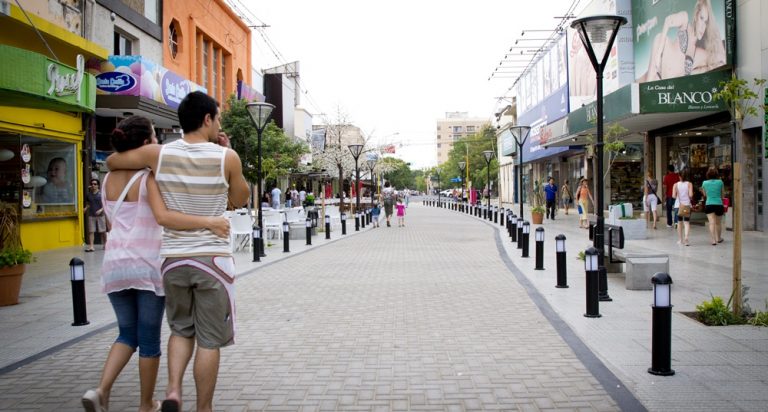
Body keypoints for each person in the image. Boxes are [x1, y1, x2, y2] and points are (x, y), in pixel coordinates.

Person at [106, 91, 249, 412]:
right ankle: (204, 408)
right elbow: (240, 199)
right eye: (218, 118)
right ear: (207, 119)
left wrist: (137, 158)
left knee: (181, 331)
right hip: (212, 260)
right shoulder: (226, 157)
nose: (219, 124)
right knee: (209, 340)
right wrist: (228, 153)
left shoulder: (159, 154)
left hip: (172, 260)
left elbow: (113, 161)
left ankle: (172, 391)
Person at [83, 116, 230, 412]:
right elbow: (165, 216)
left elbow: (112, 220)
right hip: (147, 265)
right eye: (153, 136)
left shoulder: (108, 179)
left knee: (127, 333)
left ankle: (101, 390)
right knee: (149, 341)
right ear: (146, 142)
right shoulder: (148, 178)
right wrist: (210, 222)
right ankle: (146, 403)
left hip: (114, 264)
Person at [639, 0, 726, 82]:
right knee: (660, 38)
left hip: (665, 81)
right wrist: (658, 54)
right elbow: (668, 21)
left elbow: (722, 59)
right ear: (696, 15)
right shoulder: (685, 20)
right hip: (657, 68)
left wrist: (700, 70)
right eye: (701, 18)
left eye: (706, 22)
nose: (703, 26)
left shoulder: (699, 53)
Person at [701, 166, 725, 245]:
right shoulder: (720, 182)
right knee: (718, 223)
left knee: (711, 223)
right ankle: (719, 238)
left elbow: (705, 195)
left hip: (709, 204)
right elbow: (722, 195)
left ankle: (713, 240)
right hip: (718, 204)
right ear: (716, 174)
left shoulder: (704, 183)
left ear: (708, 174)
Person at [84, 178, 108, 252]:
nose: (93, 185)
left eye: (95, 184)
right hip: (91, 214)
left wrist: (101, 210)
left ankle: (106, 244)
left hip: (101, 215)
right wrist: (85, 208)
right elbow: (88, 204)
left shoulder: (101, 194)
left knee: (103, 231)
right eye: (92, 184)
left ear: (98, 186)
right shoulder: (89, 195)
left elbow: (106, 204)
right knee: (91, 231)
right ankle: (91, 246)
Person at [672, 169, 693, 246]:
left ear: (679, 176)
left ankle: (680, 240)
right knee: (686, 222)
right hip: (687, 205)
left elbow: (673, 196)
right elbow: (690, 195)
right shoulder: (689, 184)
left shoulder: (675, 185)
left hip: (678, 206)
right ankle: (686, 238)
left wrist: (678, 193)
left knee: (679, 223)